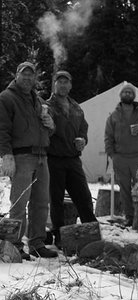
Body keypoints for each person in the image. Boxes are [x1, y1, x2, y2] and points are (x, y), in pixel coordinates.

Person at [0, 62, 58, 259]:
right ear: (16, 75)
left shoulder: (38, 100)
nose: (27, 78)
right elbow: (2, 129)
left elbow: (50, 128)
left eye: (30, 75)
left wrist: (51, 125)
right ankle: (14, 245)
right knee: (19, 202)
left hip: (42, 155)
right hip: (21, 156)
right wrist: (6, 155)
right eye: (23, 75)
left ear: (34, 78)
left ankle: (36, 243)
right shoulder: (6, 98)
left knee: (41, 203)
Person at [47, 70, 97, 249]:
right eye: (59, 82)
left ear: (70, 85)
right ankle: (59, 235)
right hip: (54, 159)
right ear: (54, 84)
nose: (62, 85)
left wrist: (83, 140)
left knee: (84, 197)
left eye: (65, 82)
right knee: (56, 199)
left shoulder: (76, 107)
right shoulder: (47, 106)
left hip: (73, 160)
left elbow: (83, 129)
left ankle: (91, 231)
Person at [104, 83, 138, 226]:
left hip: (137, 157)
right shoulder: (113, 116)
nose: (127, 94)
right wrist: (112, 155)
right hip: (120, 157)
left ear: (134, 95)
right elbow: (108, 137)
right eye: (125, 92)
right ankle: (130, 217)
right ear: (120, 95)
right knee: (125, 189)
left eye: (130, 92)